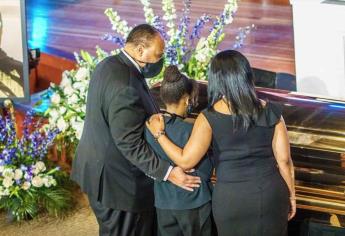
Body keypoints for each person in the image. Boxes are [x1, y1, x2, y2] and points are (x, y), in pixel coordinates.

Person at [146, 50, 296, 236]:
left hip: (231, 199)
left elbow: (186, 161)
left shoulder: (208, 118)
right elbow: (284, 161)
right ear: (246, 75)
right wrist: (291, 195)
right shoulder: (272, 112)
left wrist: (159, 135)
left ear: (216, 79)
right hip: (270, 194)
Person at [71, 24, 201, 236]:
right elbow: (129, 143)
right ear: (140, 50)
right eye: (158, 55)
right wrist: (168, 173)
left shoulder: (109, 64)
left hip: (97, 172)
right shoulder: (126, 87)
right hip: (118, 184)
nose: (160, 61)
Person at [145, 65, 213, 236]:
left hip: (164, 203)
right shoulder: (191, 131)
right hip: (194, 202)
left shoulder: (150, 127)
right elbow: (206, 170)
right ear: (187, 99)